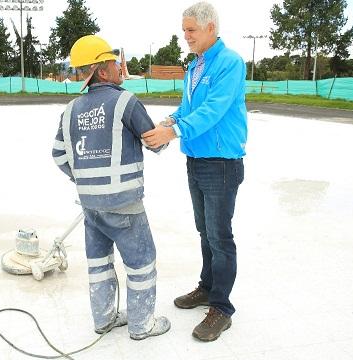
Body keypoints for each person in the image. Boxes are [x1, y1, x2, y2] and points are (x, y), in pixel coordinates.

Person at [52, 35, 170, 341]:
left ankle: (103, 319)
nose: (120, 66)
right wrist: (172, 130)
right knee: (141, 263)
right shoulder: (124, 102)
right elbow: (153, 141)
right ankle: (142, 325)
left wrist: (87, 178)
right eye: (114, 61)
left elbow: (59, 156)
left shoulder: (70, 110)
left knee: (99, 264)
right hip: (124, 204)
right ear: (102, 70)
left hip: (91, 206)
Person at [142, 1, 247, 342]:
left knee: (220, 235)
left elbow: (214, 109)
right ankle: (207, 287)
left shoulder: (228, 63)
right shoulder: (194, 66)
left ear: (210, 28)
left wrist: (173, 132)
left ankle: (222, 308)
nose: (185, 36)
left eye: (191, 30)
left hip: (221, 163)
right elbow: (190, 108)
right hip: (197, 160)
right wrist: (169, 122)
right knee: (205, 231)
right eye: (184, 29)